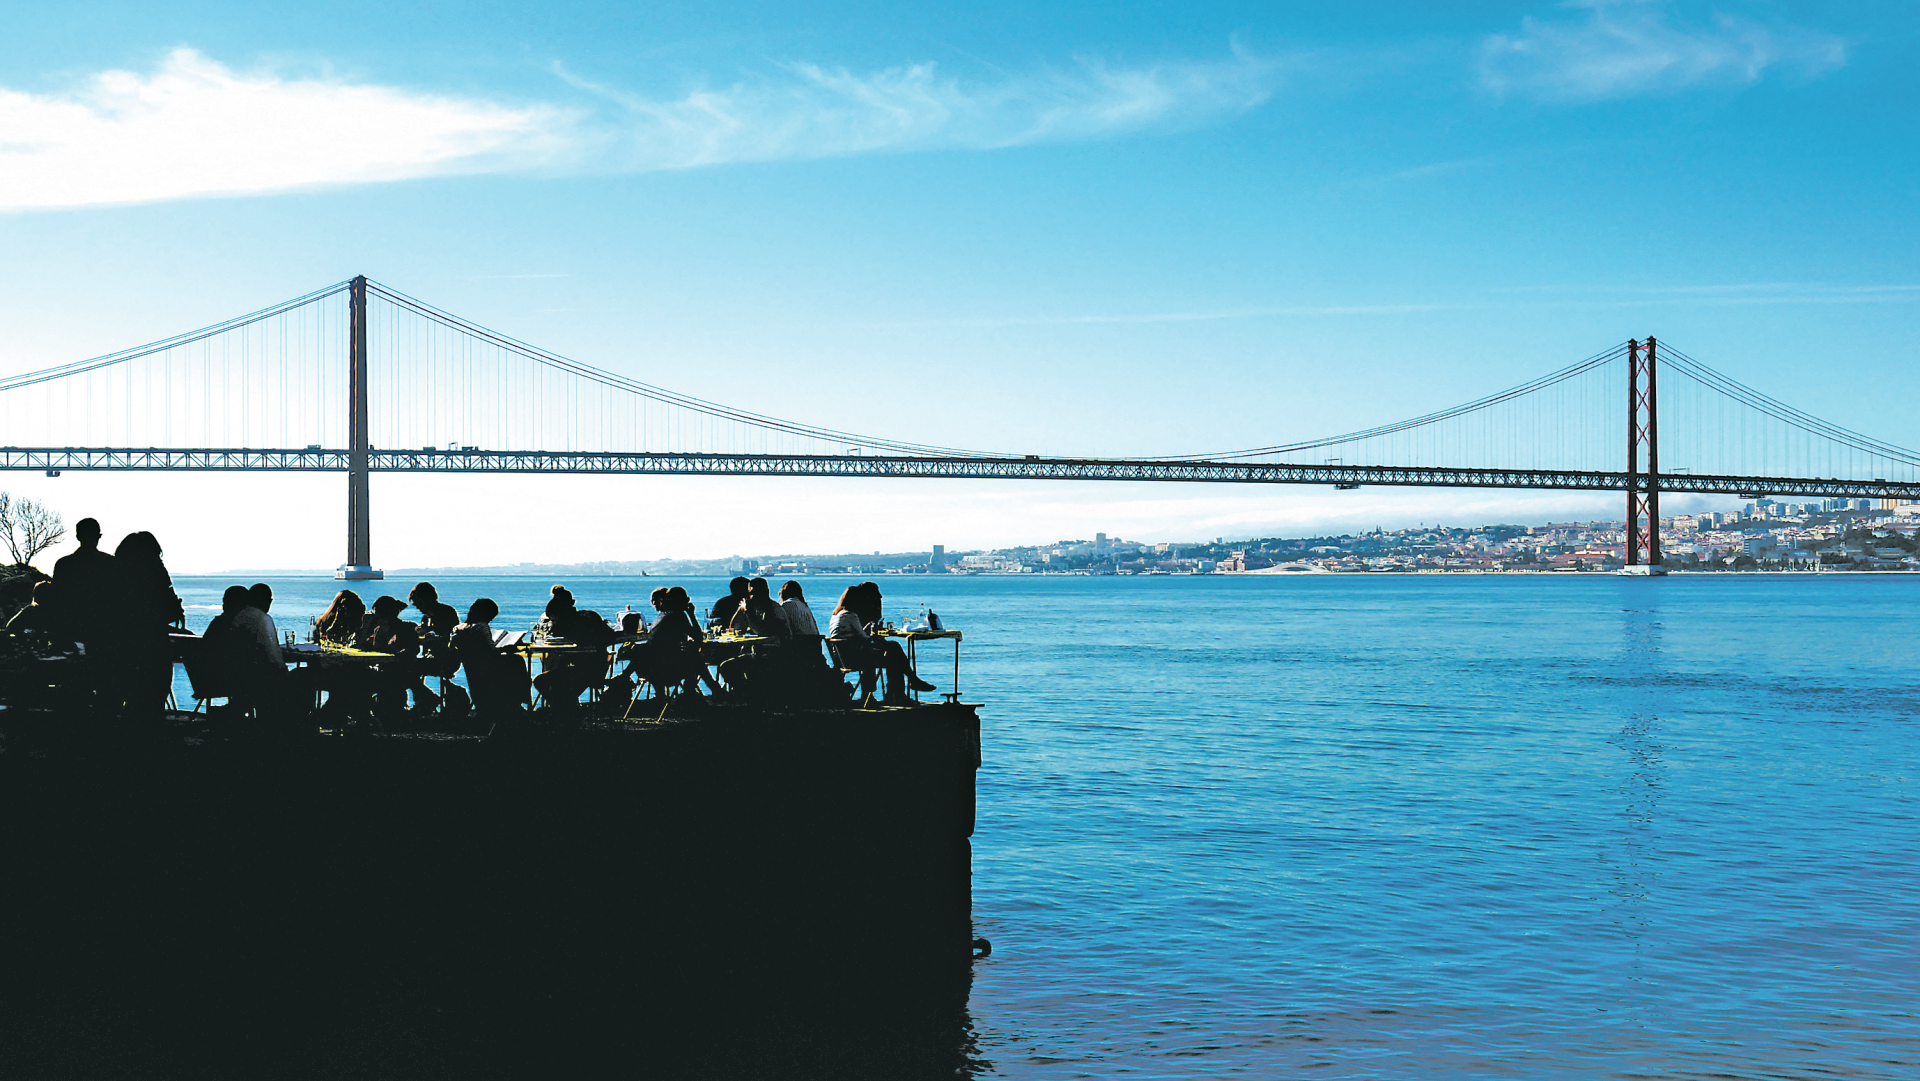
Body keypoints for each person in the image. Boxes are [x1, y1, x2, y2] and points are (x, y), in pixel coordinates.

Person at [114, 531, 184, 726]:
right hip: (153, 642)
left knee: (125, 695)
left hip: (121, 642)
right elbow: (170, 609)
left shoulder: (114, 573)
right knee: (153, 696)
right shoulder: (157, 572)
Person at [826, 583, 935, 704]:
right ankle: (901, 690)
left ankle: (903, 687)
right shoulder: (851, 615)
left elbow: (853, 634)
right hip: (857, 657)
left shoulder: (836, 615)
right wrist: (871, 634)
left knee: (892, 650)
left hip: (844, 656)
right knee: (894, 651)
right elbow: (864, 638)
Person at [451, 598, 529, 721]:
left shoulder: (459, 628)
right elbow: (490, 651)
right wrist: (506, 649)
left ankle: (515, 703)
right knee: (517, 661)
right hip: (490, 667)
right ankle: (519, 701)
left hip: (475, 669)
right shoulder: (482, 627)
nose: (491, 619)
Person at [51, 517, 116, 646]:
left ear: (78, 536)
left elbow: (57, 601)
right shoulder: (110, 563)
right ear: (98, 536)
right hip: (104, 631)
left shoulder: (64, 564)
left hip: (70, 630)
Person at [357, 596, 422, 721]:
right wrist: (364, 628)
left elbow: (413, 649)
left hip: (399, 671)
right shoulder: (378, 630)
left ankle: (363, 717)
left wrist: (397, 657)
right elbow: (363, 647)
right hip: (384, 670)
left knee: (361, 681)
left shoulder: (406, 628)